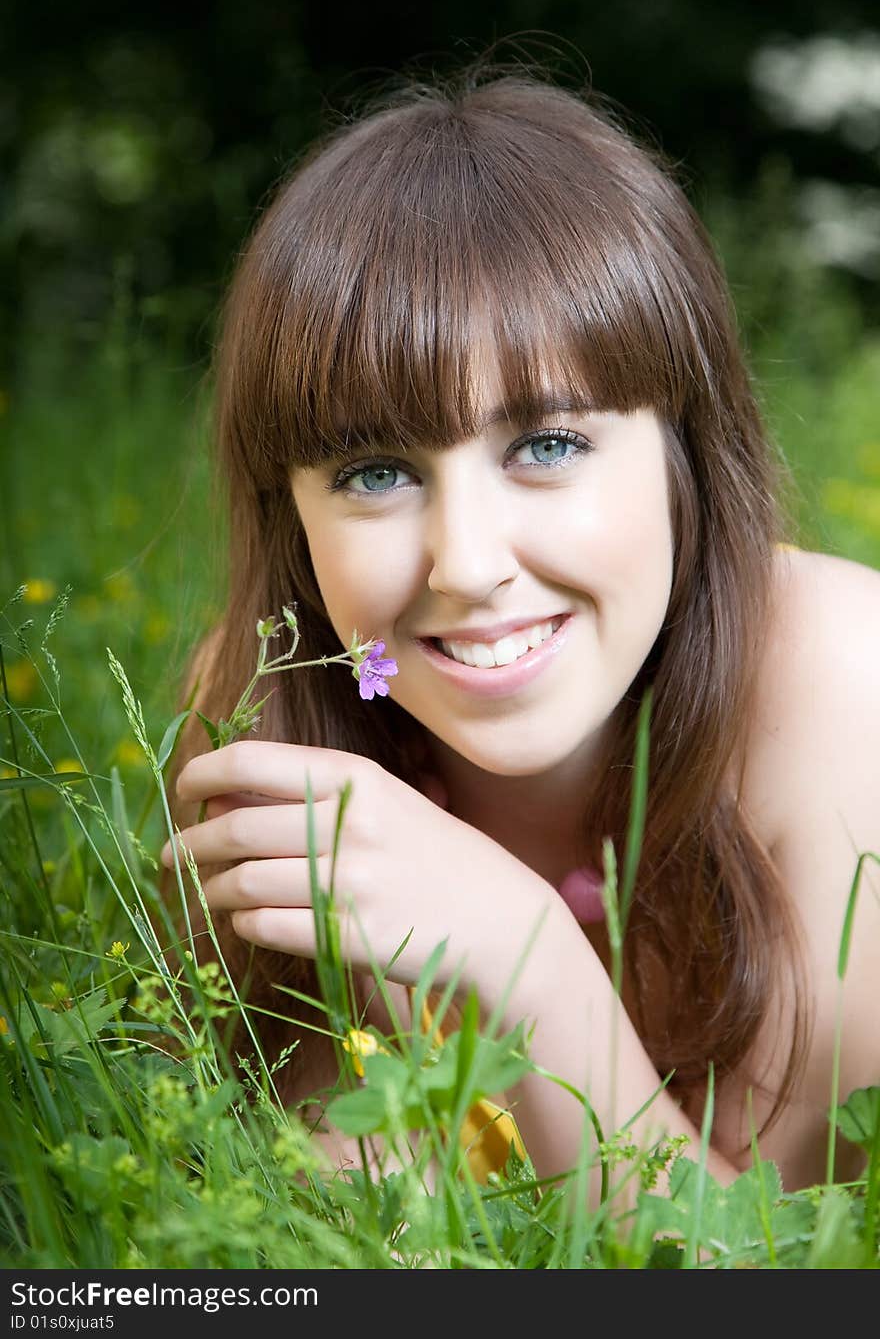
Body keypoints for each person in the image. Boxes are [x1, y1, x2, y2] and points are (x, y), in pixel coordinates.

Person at [161, 66, 880, 1198]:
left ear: (682, 453)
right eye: (376, 470)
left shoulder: (846, 686)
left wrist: (526, 961)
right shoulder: (264, 709)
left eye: (545, 443)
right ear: (288, 514)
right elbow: (307, 1184)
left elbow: (762, 1269)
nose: (467, 562)